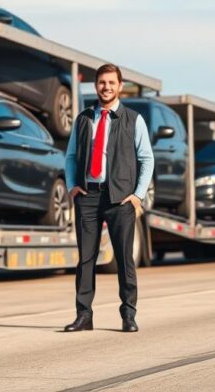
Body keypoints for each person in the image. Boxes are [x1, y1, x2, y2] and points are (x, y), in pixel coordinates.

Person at [63, 63, 154, 333]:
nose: (106, 87)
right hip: (88, 196)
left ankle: (128, 315)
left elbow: (146, 159)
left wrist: (137, 195)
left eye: (111, 83)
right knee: (86, 259)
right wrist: (72, 187)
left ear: (120, 86)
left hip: (120, 200)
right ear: (96, 86)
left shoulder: (133, 119)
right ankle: (84, 316)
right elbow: (70, 157)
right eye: (102, 82)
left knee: (125, 259)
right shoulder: (83, 119)